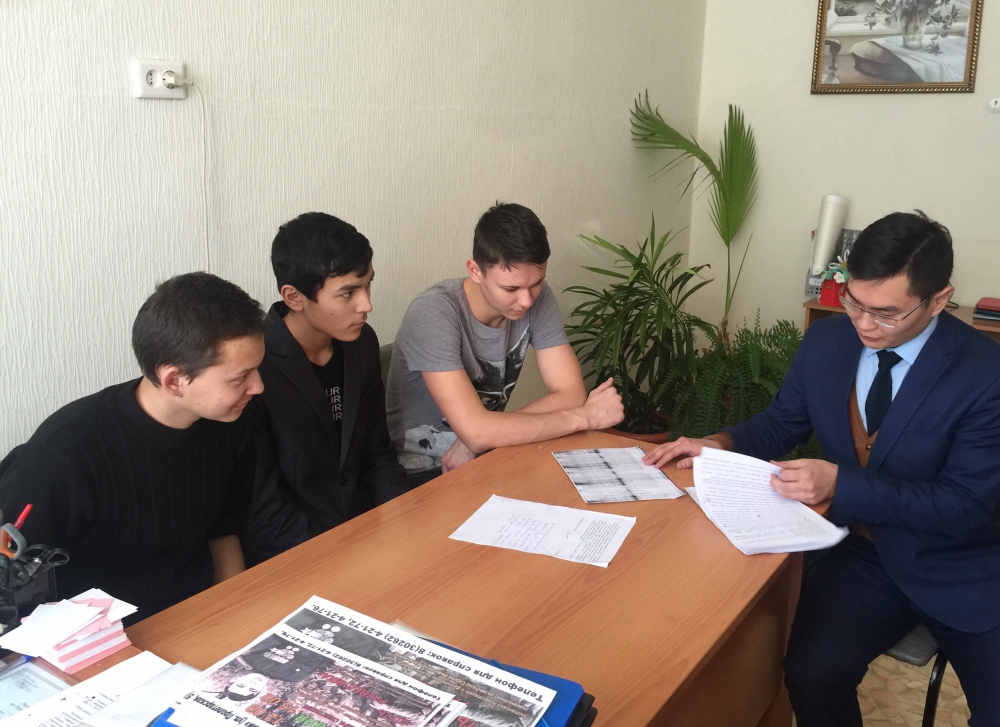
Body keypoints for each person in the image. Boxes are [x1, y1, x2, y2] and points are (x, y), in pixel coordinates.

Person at [643, 211, 1000, 726]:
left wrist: (841, 483)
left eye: (886, 313)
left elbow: (964, 506)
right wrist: (717, 443)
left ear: (938, 300)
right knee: (811, 672)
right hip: (862, 557)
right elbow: (781, 422)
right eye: (854, 301)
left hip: (962, 565)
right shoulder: (827, 342)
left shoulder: (985, 373)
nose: (864, 324)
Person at [0, 272, 267, 622]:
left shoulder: (230, 420)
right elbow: (13, 588)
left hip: (196, 617)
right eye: (240, 377)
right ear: (174, 380)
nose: (258, 387)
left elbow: (223, 530)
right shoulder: (64, 455)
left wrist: (233, 609)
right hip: (99, 639)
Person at [385, 202, 624, 486]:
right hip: (420, 473)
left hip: (488, 455)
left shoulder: (536, 296)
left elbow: (570, 394)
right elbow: (478, 433)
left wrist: (482, 436)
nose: (526, 300)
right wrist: (586, 417)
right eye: (510, 288)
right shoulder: (433, 312)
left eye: (536, 283)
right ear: (475, 271)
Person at [240, 212, 408, 565]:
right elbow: (263, 505)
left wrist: (403, 523)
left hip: (367, 534)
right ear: (294, 297)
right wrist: (338, 556)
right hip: (297, 554)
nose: (366, 305)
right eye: (348, 292)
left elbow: (378, 455)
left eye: (367, 285)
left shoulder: (362, 343)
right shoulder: (254, 367)